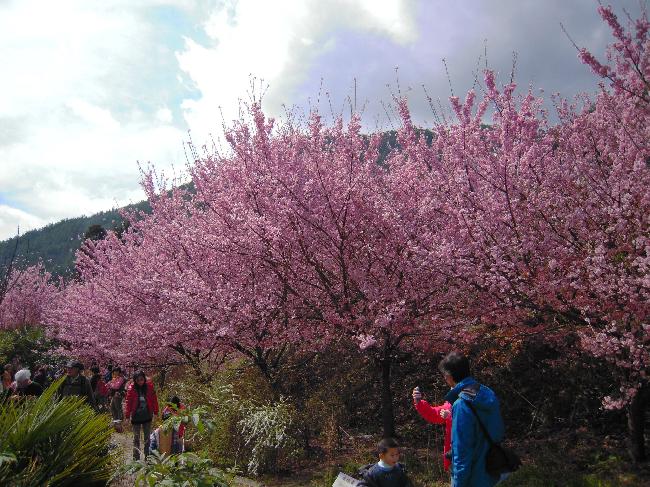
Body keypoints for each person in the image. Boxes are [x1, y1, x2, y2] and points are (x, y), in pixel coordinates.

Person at [439, 352, 505, 487]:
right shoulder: (487, 392)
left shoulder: (461, 404)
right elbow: (498, 431)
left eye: (444, 376)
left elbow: (461, 450)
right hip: (490, 470)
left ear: (449, 376)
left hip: (472, 477)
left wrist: (458, 482)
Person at [412, 386, 452, 472]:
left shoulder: (474, 397)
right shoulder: (451, 401)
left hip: (470, 454)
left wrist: (453, 415)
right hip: (454, 455)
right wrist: (419, 402)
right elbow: (434, 414)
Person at [125, 370, 159, 460]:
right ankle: (136, 457)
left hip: (147, 415)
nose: (140, 382)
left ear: (144, 379)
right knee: (136, 438)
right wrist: (127, 416)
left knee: (147, 437)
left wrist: (156, 412)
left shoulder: (149, 387)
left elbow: (154, 400)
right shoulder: (131, 388)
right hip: (136, 417)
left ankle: (147, 456)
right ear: (135, 380)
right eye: (138, 380)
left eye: (141, 379)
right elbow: (128, 403)